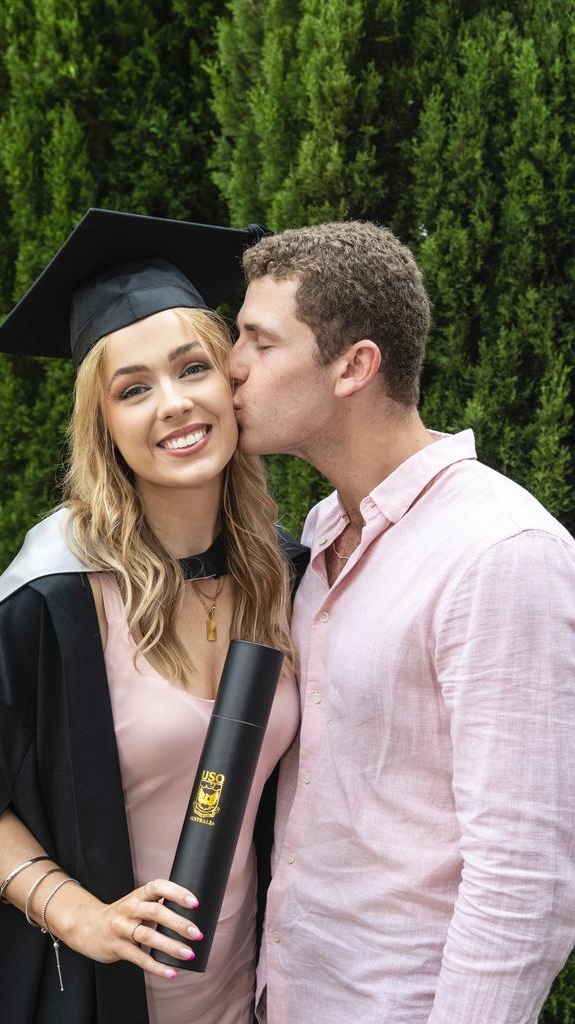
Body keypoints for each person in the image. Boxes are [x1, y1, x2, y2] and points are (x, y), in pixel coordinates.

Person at [0, 209, 308, 1024]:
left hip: (251, 996)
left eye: (193, 369)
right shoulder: (55, 597)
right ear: (103, 425)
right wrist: (80, 914)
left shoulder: (284, 573)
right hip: (91, 999)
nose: (172, 404)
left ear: (231, 382)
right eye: (133, 389)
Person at [230, 220, 575, 1024]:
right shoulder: (320, 530)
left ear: (355, 366)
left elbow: (527, 880)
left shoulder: (501, 552)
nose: (231, 367)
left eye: (260, 342)